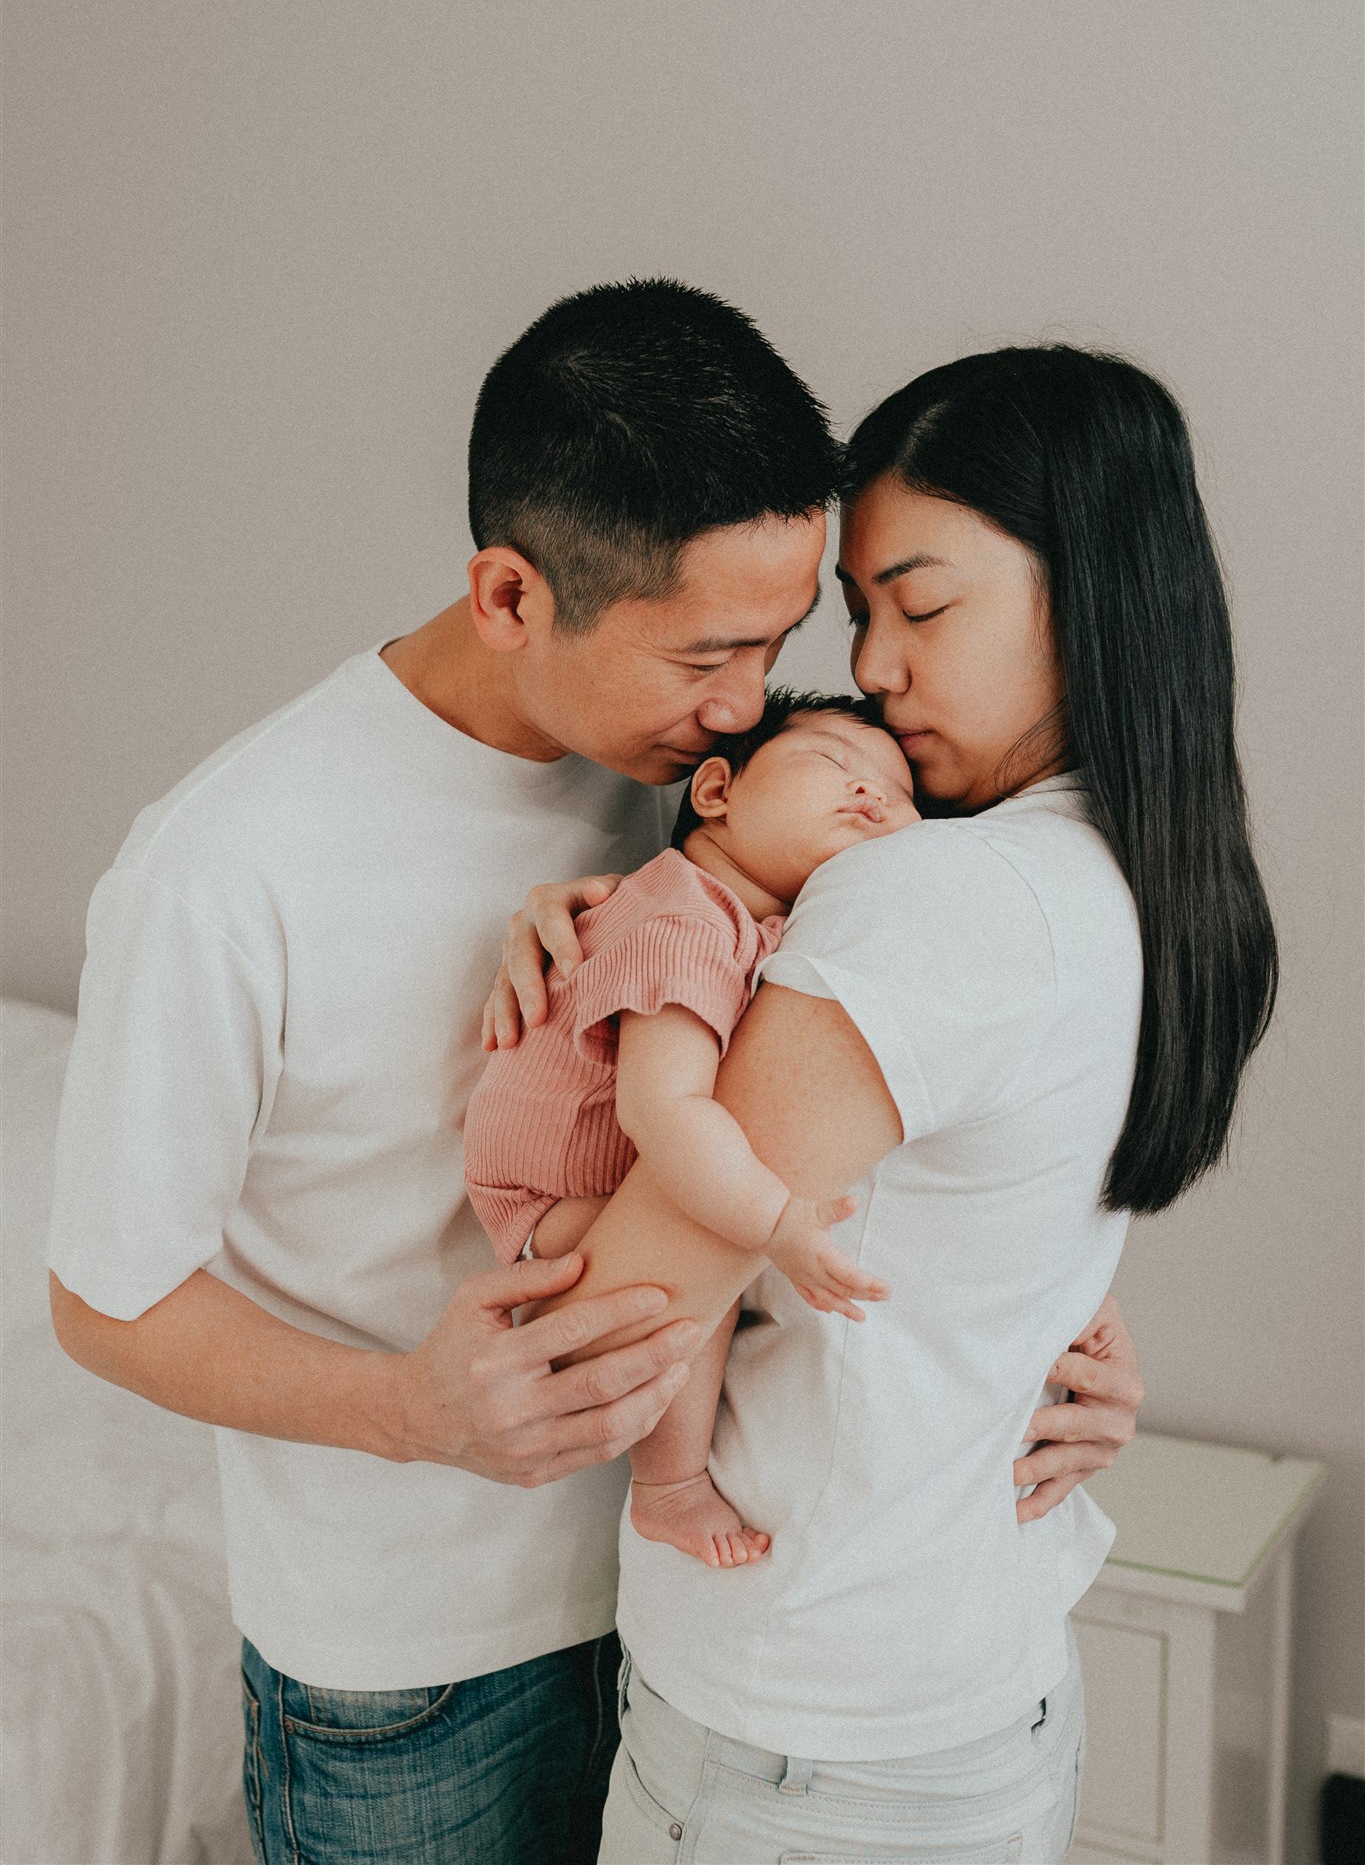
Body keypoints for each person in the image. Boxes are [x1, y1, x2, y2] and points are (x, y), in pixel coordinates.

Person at [46, 283, 1145, 1865]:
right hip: (420, 1675)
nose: (749, 700)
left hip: (700, 1610)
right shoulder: (225, 868)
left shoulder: (709, 783)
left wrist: (1060, 1328)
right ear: (508, 593)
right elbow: (105, 1299)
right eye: (707, 653)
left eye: (777, 641)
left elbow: (934, 1061)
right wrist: (407, 1410)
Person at [500, 345, 1277, 1863]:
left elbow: (615, 1316)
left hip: (802, 1731)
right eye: (863, 617)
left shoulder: (941, 896)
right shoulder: (1144, 884)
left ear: (1093, 590)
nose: (871, 668)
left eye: (921, 606)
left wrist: (564, 1025)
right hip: (971, 1685)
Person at [468, 689, 921, 1568]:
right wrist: (773, 1222)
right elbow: (660, 1107)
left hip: (602, 1178)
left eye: (899, 795)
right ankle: (669, 1488)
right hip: (550, 1198)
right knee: (697, 1283)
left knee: (711, 1248)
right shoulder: (685, 918)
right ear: (714, 791)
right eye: (832, 763)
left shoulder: (760, 922)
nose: (870, 794)